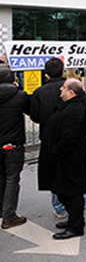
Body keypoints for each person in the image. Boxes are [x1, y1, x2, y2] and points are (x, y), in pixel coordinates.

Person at [30, 58, 86, 218]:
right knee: (75, 168)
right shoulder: (74, 87)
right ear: (63, 70)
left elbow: (34, 115)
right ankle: (82, 198)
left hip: (49, 137)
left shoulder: (40, 91)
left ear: (46, 72)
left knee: (55, 172)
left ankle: (60, 207)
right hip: (74, 136)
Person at [42, 79, 86, 239]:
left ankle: (76, 227)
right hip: (66, 158)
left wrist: (56, 151)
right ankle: (75, 221)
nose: (60, 90)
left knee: (70, 193)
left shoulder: (74, 110)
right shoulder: (72, 105)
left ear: (71, 92)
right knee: (66, 192)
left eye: (63, 88)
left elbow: (68, 137)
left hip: (69, 159)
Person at [0, 69, 30, 229]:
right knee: (12, 178)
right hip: (13, 143)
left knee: (1, 176)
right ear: (14, 81)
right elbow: (31, 111)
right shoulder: (20, 95)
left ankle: (1, 208)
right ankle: (9, 216)